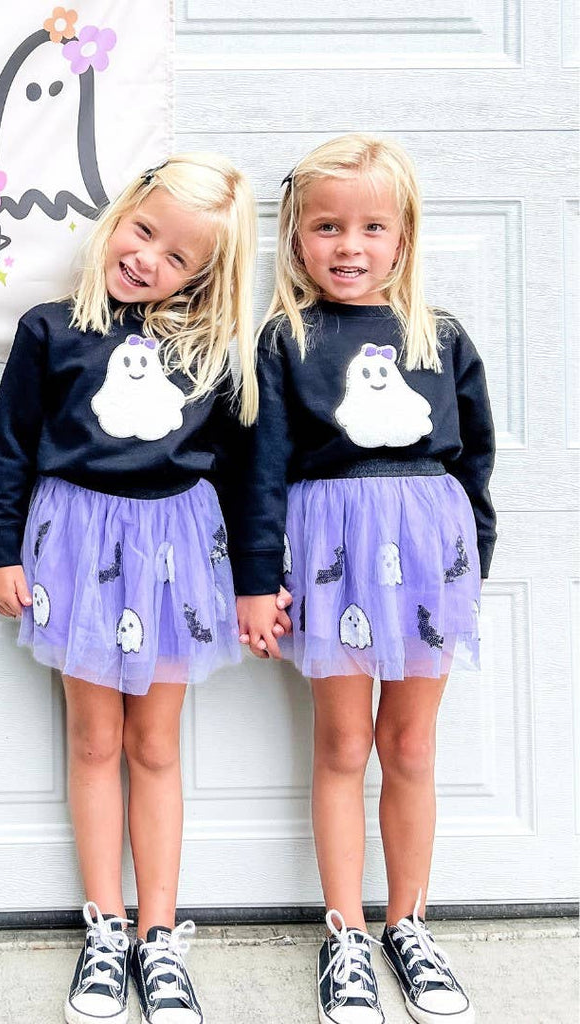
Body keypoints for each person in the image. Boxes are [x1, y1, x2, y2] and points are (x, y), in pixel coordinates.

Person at [0, 153, 263, 1024]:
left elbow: (243, 475)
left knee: (156, 745)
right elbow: (11, 448)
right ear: (121, 214)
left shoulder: (212, 355)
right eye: (144, 233)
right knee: (94, 739)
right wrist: (2, 551)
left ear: (205, 274)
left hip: (175, 553)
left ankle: (158, 935)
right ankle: (104, 929)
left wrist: (257, 581)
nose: (147, 260)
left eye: (178, 257)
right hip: (75, 547)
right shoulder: (48, 330)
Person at [232, 134, 493, 1024]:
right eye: (328, 227)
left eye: (372, 227)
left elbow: (474, 465)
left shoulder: (440, 337)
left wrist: (471, 568)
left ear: (404, 237)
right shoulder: (284, 340)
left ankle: (408, 924)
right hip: (330, 561)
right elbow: (260, 469)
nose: (349, 246)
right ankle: (344, 935)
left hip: (428, 561)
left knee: (410, 746)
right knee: (344, 746)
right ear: (295, 237)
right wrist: (256, 579)